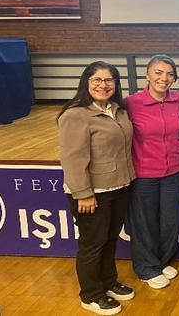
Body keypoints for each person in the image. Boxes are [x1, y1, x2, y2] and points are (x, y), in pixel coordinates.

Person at [58, 61, 135, 316]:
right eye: (97, 80)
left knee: (109, 239)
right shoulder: (75, 115)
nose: (104, 85)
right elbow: (72, 158)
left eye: (109, 80)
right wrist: (83, 193)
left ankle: (108, 282)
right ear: (86, 83)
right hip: (92, 193)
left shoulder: (118, 110)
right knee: (93, 244)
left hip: (119, 186)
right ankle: (91, 294)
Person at [125, 55, 179, 290]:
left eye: (169, 74)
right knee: (145, 223)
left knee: (169, 221)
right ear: (147, 75)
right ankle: (146, 268)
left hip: (174, 172)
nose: (164, 78)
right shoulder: (131, 103)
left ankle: (161, 261)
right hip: (144, 174)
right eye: (158, 73)